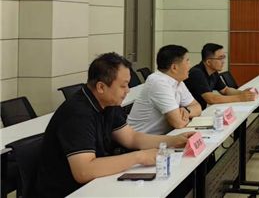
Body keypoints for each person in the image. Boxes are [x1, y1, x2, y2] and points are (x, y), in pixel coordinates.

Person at [36, 53, 195, 198]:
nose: (128, 90)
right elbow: (84, 171)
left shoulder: (109, 103)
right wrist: (139, 157)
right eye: (123, 86)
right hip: (68, 192)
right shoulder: (77, 113)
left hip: (95, 184)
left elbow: (131, 138)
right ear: (101, 87)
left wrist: (174, 140)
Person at [127, 45, 202, 134]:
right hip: (141, 138)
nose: (190, 66)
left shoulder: (178, 81)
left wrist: (187, 111)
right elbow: (178, 123)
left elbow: (198, 107)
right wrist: (184, 116)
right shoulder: (158, 82)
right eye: (187, 61)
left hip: (163, 136)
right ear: (174, 67)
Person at [185, 43, 257, 109]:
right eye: (220, 58)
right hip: (188, 114)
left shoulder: (213, 72)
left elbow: (225, 90)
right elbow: (211, 99)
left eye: (223, 57)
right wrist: (240, 98)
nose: (223, 61)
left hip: (199, 111)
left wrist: (242, 93)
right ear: (209, 62)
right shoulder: (196, 73)